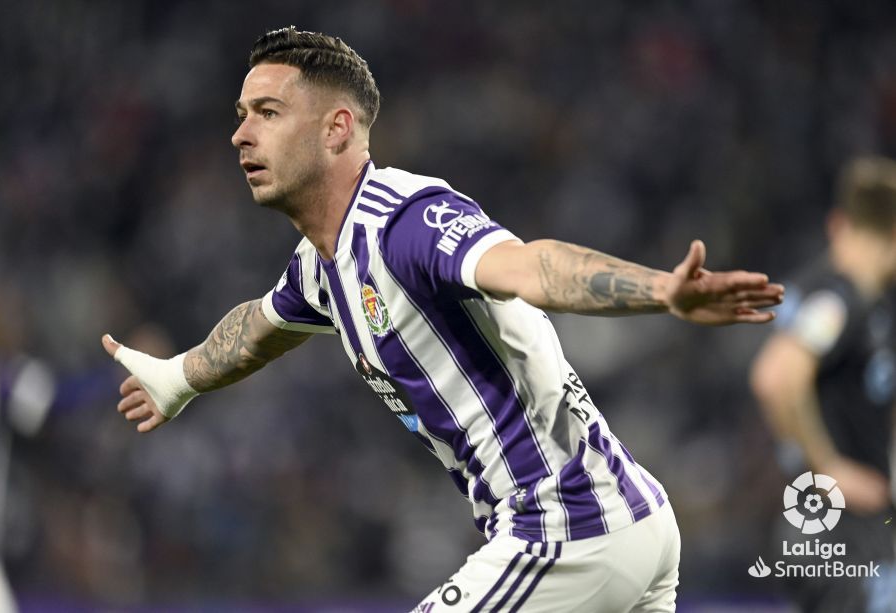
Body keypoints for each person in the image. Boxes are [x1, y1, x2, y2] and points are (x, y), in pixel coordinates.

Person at [103, 27, 783, 612]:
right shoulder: (320, 267)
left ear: (337, 128)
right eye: (242, 112)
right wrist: (178, 376)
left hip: (567, 527)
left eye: (268, 111)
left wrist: (660, 289)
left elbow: (531, 268)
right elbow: (256, 329)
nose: (240, 132)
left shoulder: (407, 221)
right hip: (623, 516)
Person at [750, 157, 896, 612]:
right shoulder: (840, 297)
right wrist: (828, 467)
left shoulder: (847, 299)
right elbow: (774, 376)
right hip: (838, 528)